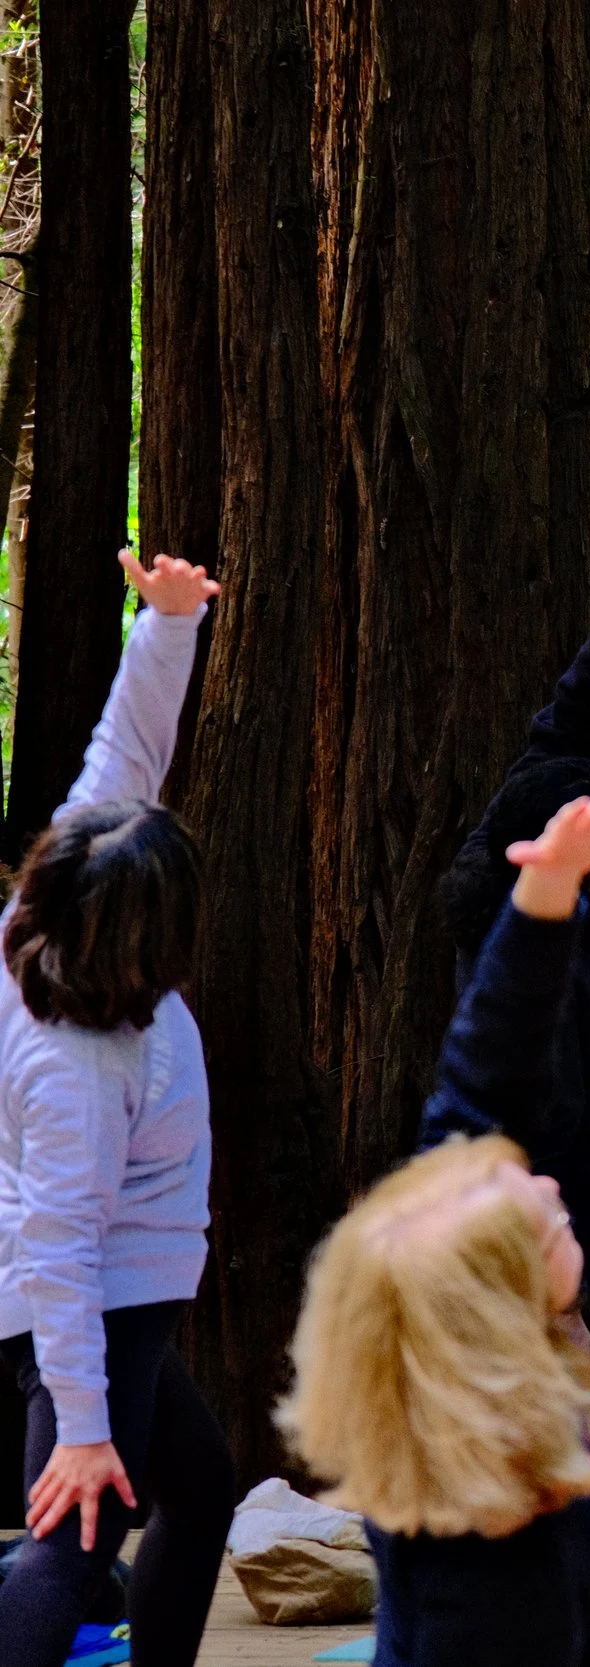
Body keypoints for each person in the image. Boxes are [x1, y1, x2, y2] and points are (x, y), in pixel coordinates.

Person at [283, 785, 590, 1667]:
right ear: (501, 1306)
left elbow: (483, 1080)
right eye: (533, 1215)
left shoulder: (449, 1278)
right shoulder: (499, 1566)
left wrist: (546, 895)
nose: (546, 1188)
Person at [0, 550, 237, 1667]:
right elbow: (62, 1243)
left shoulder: (47, 911)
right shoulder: (85, 1070)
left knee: (200, 1489)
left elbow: (122, 750)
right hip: (95, 1305)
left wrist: (170, 624)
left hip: (119, 1289)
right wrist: (84, 1425)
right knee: (77, 1537)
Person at [432, 539, 590, 1361]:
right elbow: (552, 1102)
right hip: (545, 1209)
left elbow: (559, 732)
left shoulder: (510, 826)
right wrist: (572, 1209)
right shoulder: (536, 957)